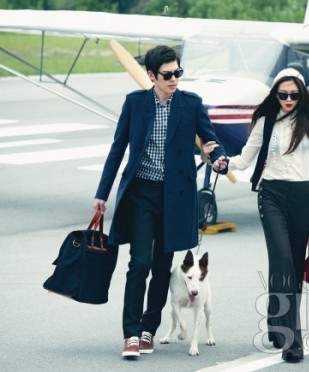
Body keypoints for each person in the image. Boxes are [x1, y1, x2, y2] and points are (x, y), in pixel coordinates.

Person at [92, 45, 228, 359]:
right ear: (151, 76)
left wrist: (218, 158)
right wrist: (102, 194)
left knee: (161, 266)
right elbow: (117, 149)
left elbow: (209, 140)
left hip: (175, 198)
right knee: (138, 263)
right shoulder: (135, 103)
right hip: (141, 193)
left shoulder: (191, 104)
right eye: (167, 75)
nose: (174, 79)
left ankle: (148, 330)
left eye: (178, 73)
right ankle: (130, 334)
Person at [211, 67, 309, 363]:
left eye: (294, 95)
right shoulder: (265, 122)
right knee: (283, 261)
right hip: (271, 195)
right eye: (282, 94)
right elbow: (245, 158)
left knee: (292, 269)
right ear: (275, 95)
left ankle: (277, 324)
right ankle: (292, 341)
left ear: (302, 95)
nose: (288, 99)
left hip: (302, 198)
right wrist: (224, 164)